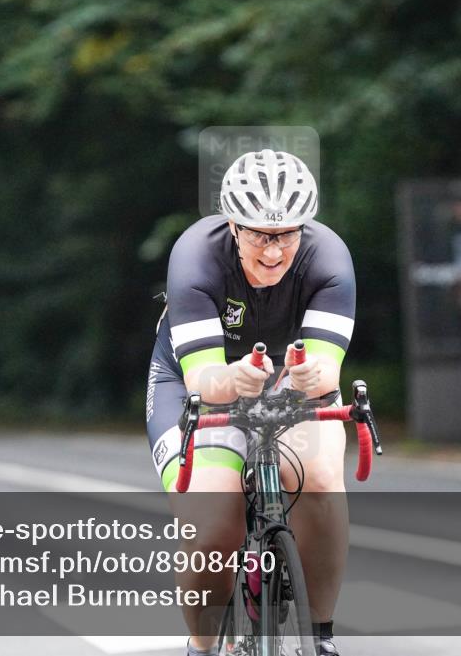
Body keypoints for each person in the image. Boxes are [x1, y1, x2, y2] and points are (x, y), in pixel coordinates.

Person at [145, 150, 355, 656]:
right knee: (212, 526)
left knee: (321, 480)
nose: (274, 252)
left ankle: (320, 636)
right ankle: (202, 646)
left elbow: (327, 370)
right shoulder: (196, 255)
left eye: (286, 235)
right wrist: (233, 378)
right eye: (260, 235)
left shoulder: (328, 257)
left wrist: (309, 374)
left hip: (287, 380)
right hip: (198, 380)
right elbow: (205, 381)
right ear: (233, 226)